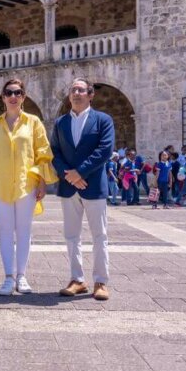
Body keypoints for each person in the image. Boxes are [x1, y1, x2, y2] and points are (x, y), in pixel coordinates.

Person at [0, 79, 56, 295]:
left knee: (24, 231)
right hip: (0, 185)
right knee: (5, 231)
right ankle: (9, 277)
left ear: (23, 97)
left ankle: (22, 276)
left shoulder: (34, 122)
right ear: (3, 97)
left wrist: (42, 182)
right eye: (9, 93)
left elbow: (42, 153)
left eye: (17, 92)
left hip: (26, 184)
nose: (13, 96)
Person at [51, 78, 115, 301]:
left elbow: (104, 150)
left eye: (80, 90)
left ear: (90, 94)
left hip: (93, 185)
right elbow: (54, 152)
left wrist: (80, 173)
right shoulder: (60, 122)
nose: (76, 93)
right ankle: (77, 279)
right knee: (71, 235)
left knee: (99, 235)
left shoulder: (103, 120)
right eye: (73, 90)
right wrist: (68, 174)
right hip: (69, 186)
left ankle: (101, 281)